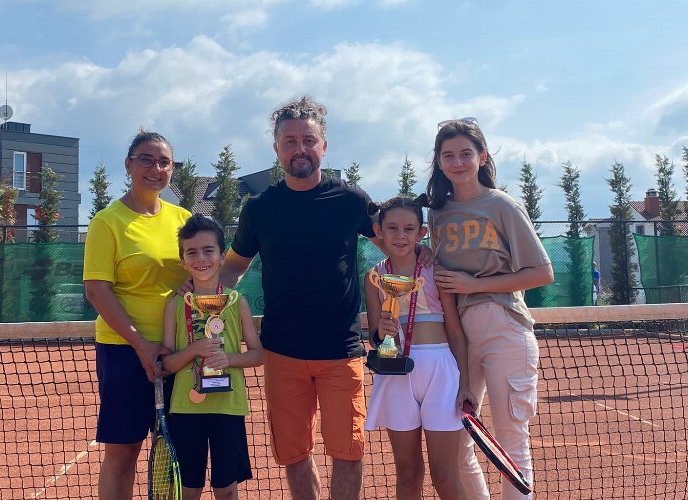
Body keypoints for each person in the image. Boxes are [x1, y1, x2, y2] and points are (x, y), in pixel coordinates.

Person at [218, 96, 431, 500]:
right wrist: (200, 293)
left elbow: (393, 245)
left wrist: (425, 255)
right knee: (295, 456)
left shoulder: (351, 200)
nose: (300, 149)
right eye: (290, 141)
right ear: (277, 149)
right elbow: (233, 268)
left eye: (308, 140)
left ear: (324, 146)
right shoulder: (259, 208)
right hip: (281, 353)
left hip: (341, 352)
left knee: (348, 453)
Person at [425, 118, 554, 500]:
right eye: (448, 155)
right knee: (459, 441)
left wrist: (475, 285)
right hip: (456, 336)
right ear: (439, 161)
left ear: (482, 157)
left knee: (511, 443)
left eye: (466, 153)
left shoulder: (502, 205)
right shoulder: (437, 213)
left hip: (504, 327)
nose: (457, 162)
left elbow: (542, 272)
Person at [83, 130, 191, 500]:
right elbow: (97, 290)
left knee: (178, 450)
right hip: (124, 352)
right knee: (123, 452)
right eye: (146, 159)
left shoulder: (184, 219)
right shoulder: (107, 221)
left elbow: (204, 270)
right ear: (128, 165)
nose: (155, 168)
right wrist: (141, 344)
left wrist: (197, 283)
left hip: (179, 352)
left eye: (164, 162)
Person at [364, 196, 476, 500]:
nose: (400, 236)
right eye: (392, 228)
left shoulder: (435, 271)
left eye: (409, 229)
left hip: (441, 373)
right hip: (395, 374)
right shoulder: (373, 277)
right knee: (408, 473)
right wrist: (382, 333)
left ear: (421, 233)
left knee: (445, 476)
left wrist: (465, 383)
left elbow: (455, 331)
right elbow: (375, 337)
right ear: (379, 231)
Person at [161, 214, 263, 500]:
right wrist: (194, 350)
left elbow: (258, 354)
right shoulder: (174, 304)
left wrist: (228, 360)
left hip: (227, 408)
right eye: (192, 252)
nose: (201, 258)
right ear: (183, 261)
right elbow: (166, 364)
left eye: (209, 250)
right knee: (188, 489)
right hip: (185, 408)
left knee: (226, 489)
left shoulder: (237, 302)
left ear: (221, 256)